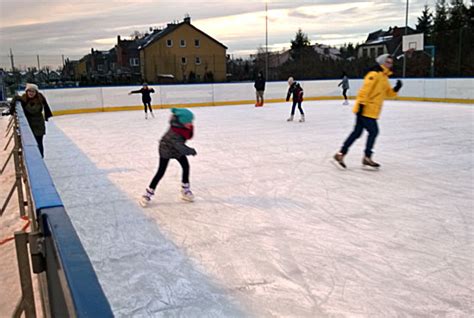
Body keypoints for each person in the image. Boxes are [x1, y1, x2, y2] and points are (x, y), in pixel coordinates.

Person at [333, 54, 403, 169]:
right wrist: (361, 106)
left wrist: (396, 88)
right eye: (388, 62)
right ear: (382, 63)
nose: (390, 65)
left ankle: (340, 154)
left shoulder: (384, 77)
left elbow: (388, 93)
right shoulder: (374, 74)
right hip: (366, 110)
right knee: (374, 131)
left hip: (370, 110)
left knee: (357, 133)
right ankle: (367, 157)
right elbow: (364, 91)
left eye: (391, 63)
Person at [140, 108, 197, 207]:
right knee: (161, 172)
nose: (191, 123)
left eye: (191, 121)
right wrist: (190, 151)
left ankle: (185, 190)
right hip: (165, 149)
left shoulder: (182, 127)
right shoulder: (175, 132)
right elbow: (180, 146)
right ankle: (147, 194)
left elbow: (183, 141)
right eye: (188, 121)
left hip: (176, 150)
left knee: (186, 166)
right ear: (182, 122)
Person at [10, 83, 53, 157]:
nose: (31, 93)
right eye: (29, 91)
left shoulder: (39, 100)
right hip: (29, 126)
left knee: (38, 143)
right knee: (30, 144)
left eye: (33, 91)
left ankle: (40, 158)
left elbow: (33, 111)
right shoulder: (24, 98)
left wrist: (23, 103)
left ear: (36, 92)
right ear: (26, 91)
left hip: (38, 126)